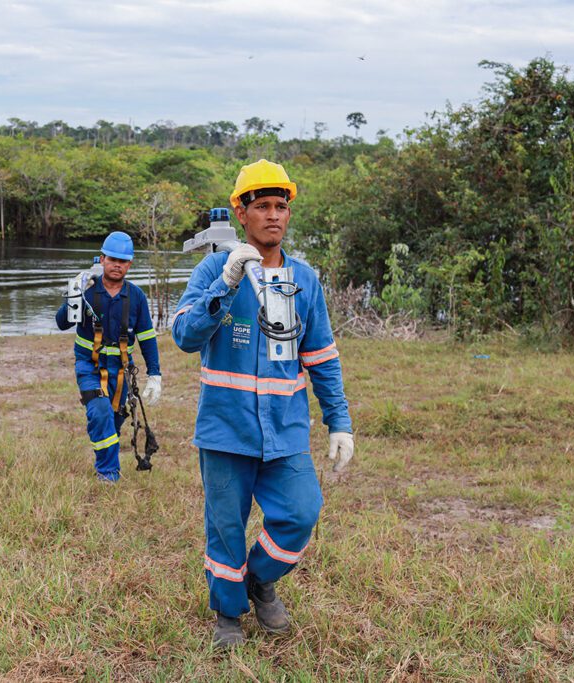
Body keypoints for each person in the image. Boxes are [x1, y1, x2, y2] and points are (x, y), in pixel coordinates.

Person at [171, 159, 354, 648]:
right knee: (226, 527)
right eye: (262, 206)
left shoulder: (305, 279)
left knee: (301, 511)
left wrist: (340, 423)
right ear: (241, 212)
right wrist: (225, 284)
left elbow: (321, 357)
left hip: (286, 430)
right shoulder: (214, 268)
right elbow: (185, 337)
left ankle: (258, 580)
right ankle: (228, 616)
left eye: (281, 206)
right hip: (225, 430)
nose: (273, 215)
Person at [55, 231, 163, 482]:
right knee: (100, 412)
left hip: (123, 370)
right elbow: (61, 323)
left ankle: (103, 457)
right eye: (112, 259)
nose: (117, 265)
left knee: (113, 421)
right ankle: (108, 474)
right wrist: (73, 291)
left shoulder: (136, 296)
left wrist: (155, 374)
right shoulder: (87, 292)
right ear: (102, 259)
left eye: (123, 261)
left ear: (130, 264)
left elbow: (147, 337)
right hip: (89, 366)